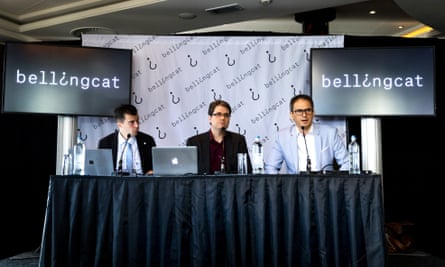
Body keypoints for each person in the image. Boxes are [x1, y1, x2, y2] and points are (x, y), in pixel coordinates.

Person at [265, 94, 349, 174]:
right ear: (291, 115)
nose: (304, 115)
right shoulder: (282, 136)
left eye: (308, 110)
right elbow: (271, 167)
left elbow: (347, 163)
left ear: (313, 113)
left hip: (324, 185)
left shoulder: (330, 133)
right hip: (295, 186)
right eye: (299, 111)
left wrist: (334, 185)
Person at [186, 100, 252, 174]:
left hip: (231, 184)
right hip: (204, 185)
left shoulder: (238, 140)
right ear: (210, 118)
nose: (223, 118)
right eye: (218, 114)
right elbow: (189, 175)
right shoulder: (194, 142)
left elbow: (247, 171)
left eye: (226, 115)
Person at [98, 104, 156, 175]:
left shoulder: (148, 140)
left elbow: (156, 167)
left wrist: (152, 172)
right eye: (132, 122)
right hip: (117, 184)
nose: (137, 125)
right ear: (120, 124)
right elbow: (101, 172)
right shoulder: (106, 143)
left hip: (143, 183)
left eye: (137, 121)